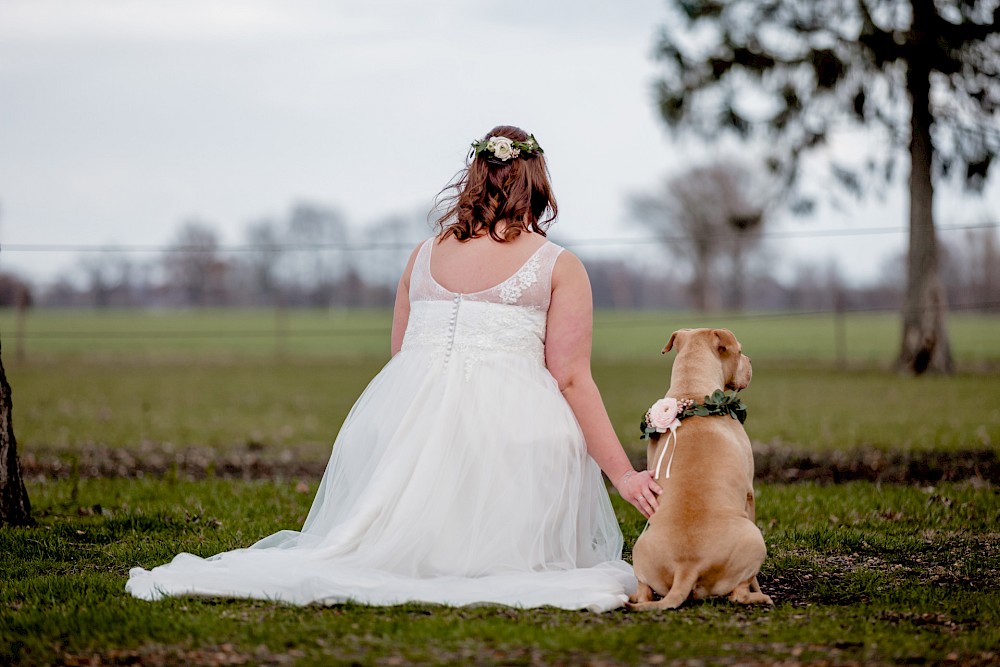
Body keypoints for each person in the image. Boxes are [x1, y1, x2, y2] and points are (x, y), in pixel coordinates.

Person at [126, 125, 661, 611]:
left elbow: (403, 357)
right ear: (536, 184)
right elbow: (570, 378)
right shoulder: (558, 264)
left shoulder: (422, 255)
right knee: (540, 442)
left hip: (408, 421)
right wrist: (624, 476)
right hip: (511, 434)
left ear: (473, 179)